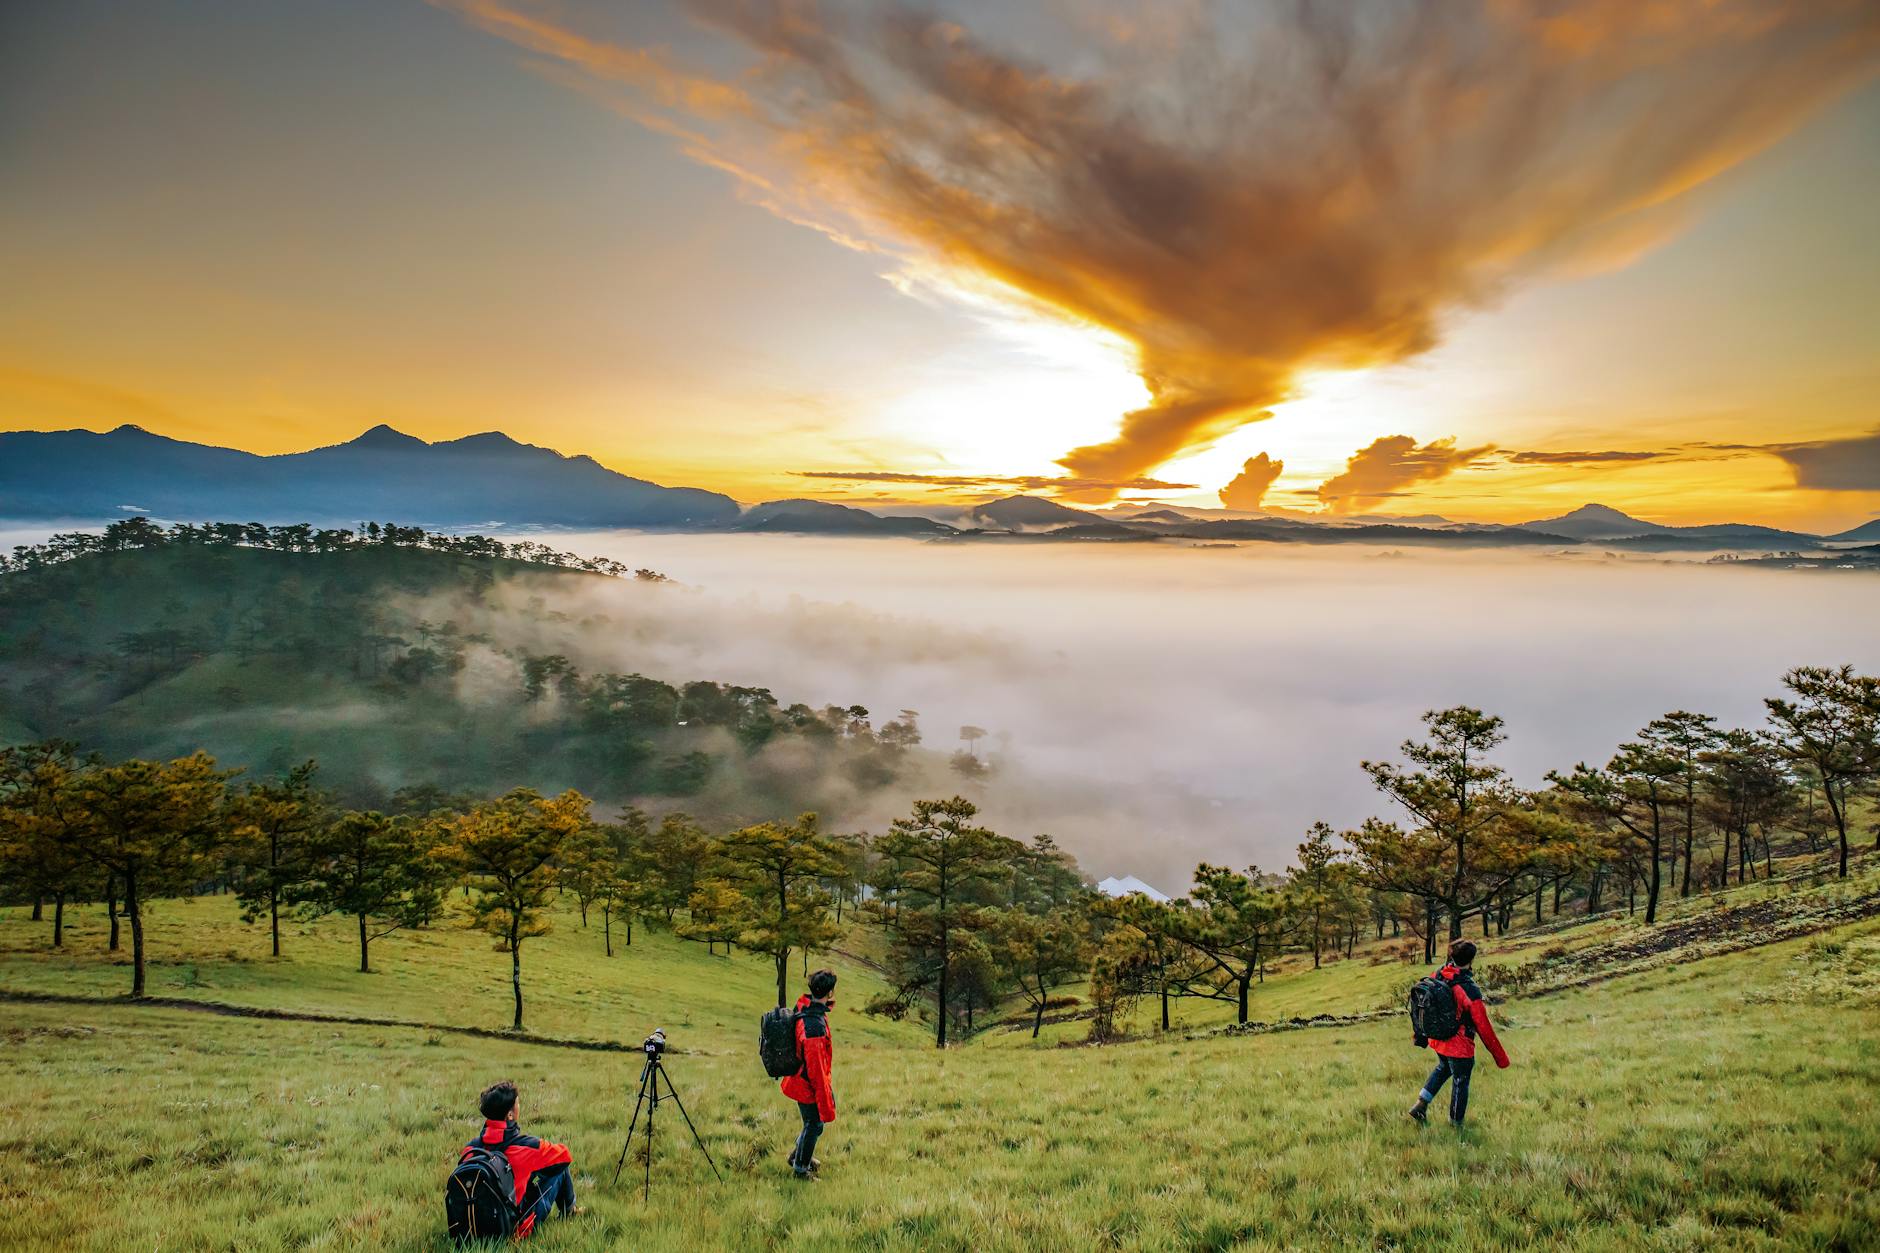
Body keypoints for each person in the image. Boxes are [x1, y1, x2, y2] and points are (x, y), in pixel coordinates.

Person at [1408, 940, 1509, 1127]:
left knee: (1443, 1067)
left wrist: (1420, 1034)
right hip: (1459, 1046)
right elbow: (1484, 1027)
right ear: (1471, 960)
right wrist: (1501, 1058)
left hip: (1438, 1039)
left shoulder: (1438, 974)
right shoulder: (1468, 989)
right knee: (1461, 1081)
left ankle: (1421, 1104)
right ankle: (1456, 1124)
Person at [464, 1080, 583, 1237]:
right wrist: (535, 1170)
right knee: (560, 1169)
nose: (519, 1106)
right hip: (515, 1230)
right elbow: (564, 1156)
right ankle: (570, 1211)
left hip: (474, 1229)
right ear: (510, 1115)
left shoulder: (470, 1149)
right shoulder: (525, 1146)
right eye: (518, 1103)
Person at [779, 968, 838, 1180]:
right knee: (814, 1125)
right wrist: (825, 1100)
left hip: (799, 1079)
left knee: (813, 1124)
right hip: (806, 1084)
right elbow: (817, 1072)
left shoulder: (806, 1009)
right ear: (829, 992)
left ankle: (799, 1155)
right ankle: (800, 1169)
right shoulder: (814, 1027)